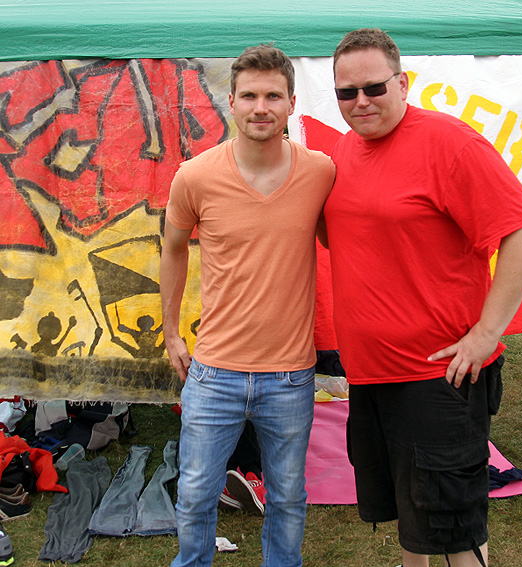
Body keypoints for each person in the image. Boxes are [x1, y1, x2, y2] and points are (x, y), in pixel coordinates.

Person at [324, 29, 522, 567]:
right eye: (347, 92)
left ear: (402, 83)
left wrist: (486, 334)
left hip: (438, 376)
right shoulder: (345, 148)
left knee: (453, 525)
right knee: (413, 515)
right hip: (370, 374)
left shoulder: (450, 143)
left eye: (374, 88)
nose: (360, 102)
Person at [160, 44, 335, 567]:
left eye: (273, 96)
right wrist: (171, 332)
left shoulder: (320, 173)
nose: (262, 107)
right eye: (250, 96)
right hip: (214, 372)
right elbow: (172, 248)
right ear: (231, 101)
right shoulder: (195, 176)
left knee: (287, 498)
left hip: (290, 375)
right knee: (195, 492)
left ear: (291, 103)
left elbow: (351, 241)